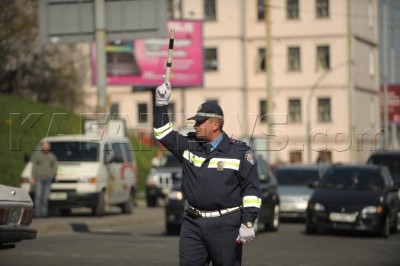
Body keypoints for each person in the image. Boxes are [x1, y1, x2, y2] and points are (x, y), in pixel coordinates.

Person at [153, 81, 262, 265]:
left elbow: (251, 189)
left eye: (200, 122)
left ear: (215, 125)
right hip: (192, 224)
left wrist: (248, 221)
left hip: (226, 226)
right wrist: (161, 104)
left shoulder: (240, 153)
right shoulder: (190, 146)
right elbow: (162, 133)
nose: (195, 125)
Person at [31, 141, 58, 217]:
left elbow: (55, 166)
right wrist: (33, 177)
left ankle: (44, 213)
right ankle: (37, 213)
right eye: (45, 146)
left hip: (48, 179)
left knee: (45, 197)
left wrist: (53, 174)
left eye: (47, 146)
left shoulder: (52, 156)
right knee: (38, 196)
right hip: (39, 178)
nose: (46, 148)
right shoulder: (38, 156)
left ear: (49, 147)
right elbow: (34, 167)